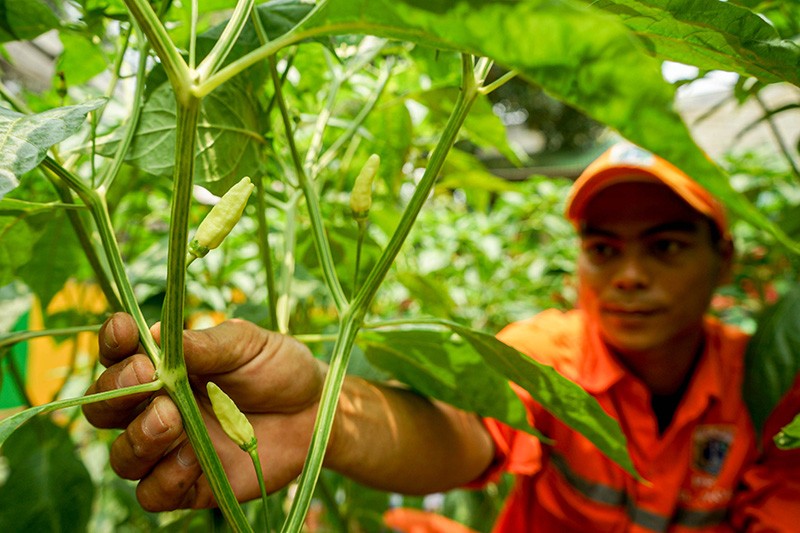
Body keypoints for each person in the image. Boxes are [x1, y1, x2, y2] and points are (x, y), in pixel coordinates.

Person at [83, 142, 800, 531]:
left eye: (667, 246)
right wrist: (316, 424)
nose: (631, 276)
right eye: (604, 249)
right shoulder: (548, 352)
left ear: (725, 259)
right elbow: (463, 433)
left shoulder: (771, 388)